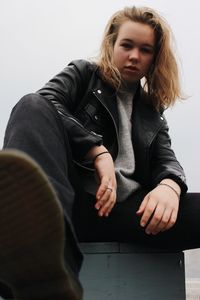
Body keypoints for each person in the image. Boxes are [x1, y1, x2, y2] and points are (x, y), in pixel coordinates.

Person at [0, 5, 199, 299]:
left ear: (154, 58)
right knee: (30, 105)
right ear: (112, 44)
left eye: (145, 50)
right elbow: (47, 101)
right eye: (127, 45)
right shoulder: (84, 74)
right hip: (71, 205)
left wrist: (170, 185)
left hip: (128, 212)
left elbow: (166, 159)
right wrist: (97, 150)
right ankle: (40, 261)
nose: (134, 56)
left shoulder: (152, 110)